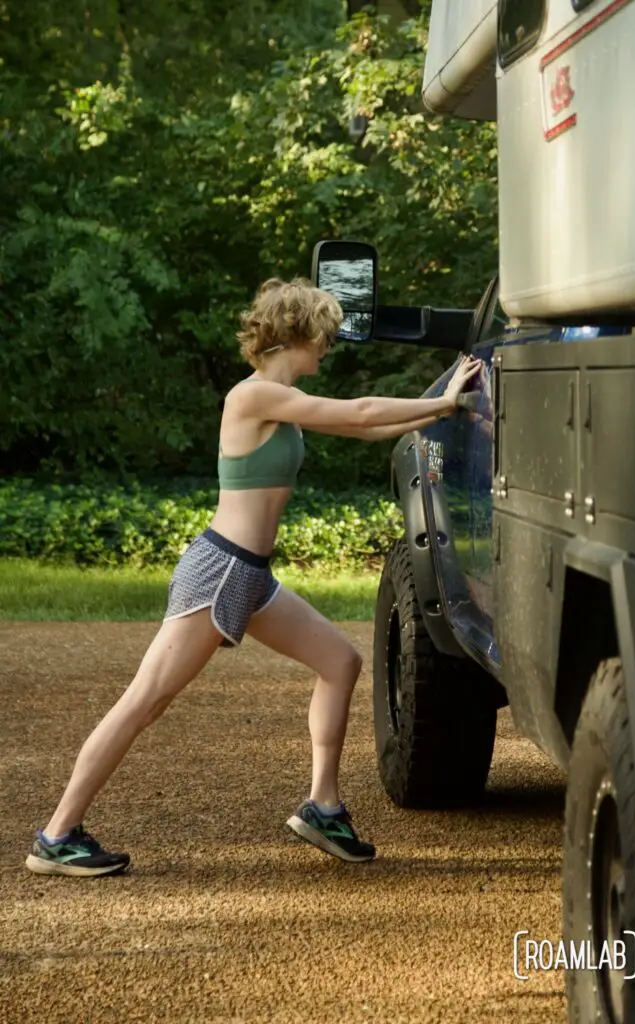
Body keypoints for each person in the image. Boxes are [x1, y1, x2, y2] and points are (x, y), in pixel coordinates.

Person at [25, 277, 482, 877]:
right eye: (325, 334)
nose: (329, 346)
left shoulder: (282, 401)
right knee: (144, 703)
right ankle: (57, 837)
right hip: (220, 571)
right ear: (300, 332)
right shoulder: (252, 396)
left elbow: (366, 426)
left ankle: (323, 805)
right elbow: (362, 410)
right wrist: (446, 402)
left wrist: (441, 398)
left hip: (251, 577)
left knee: (339, 662)